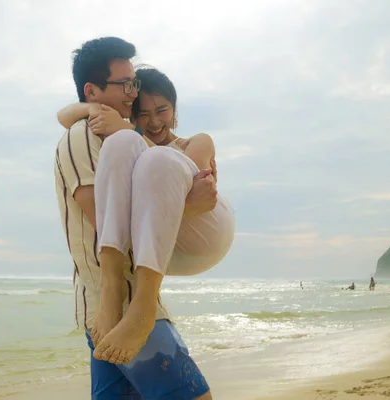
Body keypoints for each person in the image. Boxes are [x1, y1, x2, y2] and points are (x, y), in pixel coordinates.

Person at [54, 37, 230, 400]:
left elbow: (177, 183)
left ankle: (131, 305)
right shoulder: (90, 136)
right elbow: (101, 217)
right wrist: (186, 207)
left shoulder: (140, 139)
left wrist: (123, 129)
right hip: (118, 298)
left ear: (175, 111)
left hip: (122, 300)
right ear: (93, 91)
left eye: (160, 109)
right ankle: (128, 303)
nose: (134, 96)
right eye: (125, 85)